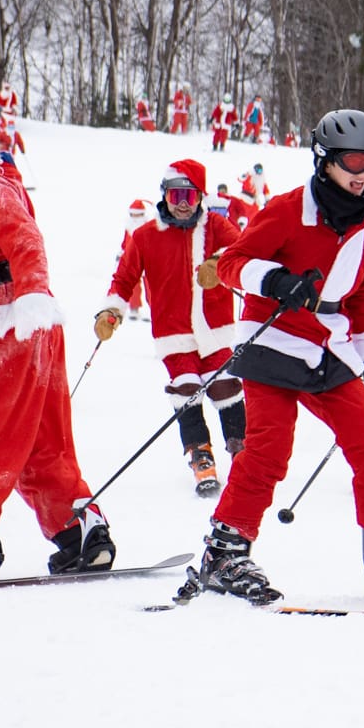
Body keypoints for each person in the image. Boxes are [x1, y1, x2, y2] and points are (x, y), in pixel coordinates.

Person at [173, 109, 364, 605]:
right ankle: (226, 553)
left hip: (330, 346)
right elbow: (232, 264)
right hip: (274, 340)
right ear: (325, 162)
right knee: (268, 449)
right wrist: (276, 279)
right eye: (355, 161)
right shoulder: (286, 209)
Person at [0, 129, 116, 580]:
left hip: (7, 319)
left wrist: (32, 295)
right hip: (26, 321)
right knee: (40, 439)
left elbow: (25, 237)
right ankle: (78, 529)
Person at [97, 159, 246, 496]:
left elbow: (242, 250)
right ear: (164, 195)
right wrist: (111, 312)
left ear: (200, 198)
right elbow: (124, 279)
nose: (182, 203)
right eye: (176, 194)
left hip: (214, 328)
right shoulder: (146, 236)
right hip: (173, 333)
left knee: (225, 386)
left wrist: (218, 262)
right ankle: (200, 455)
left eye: (190, 196)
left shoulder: (216, 228)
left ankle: (242, 451)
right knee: (186, 389)